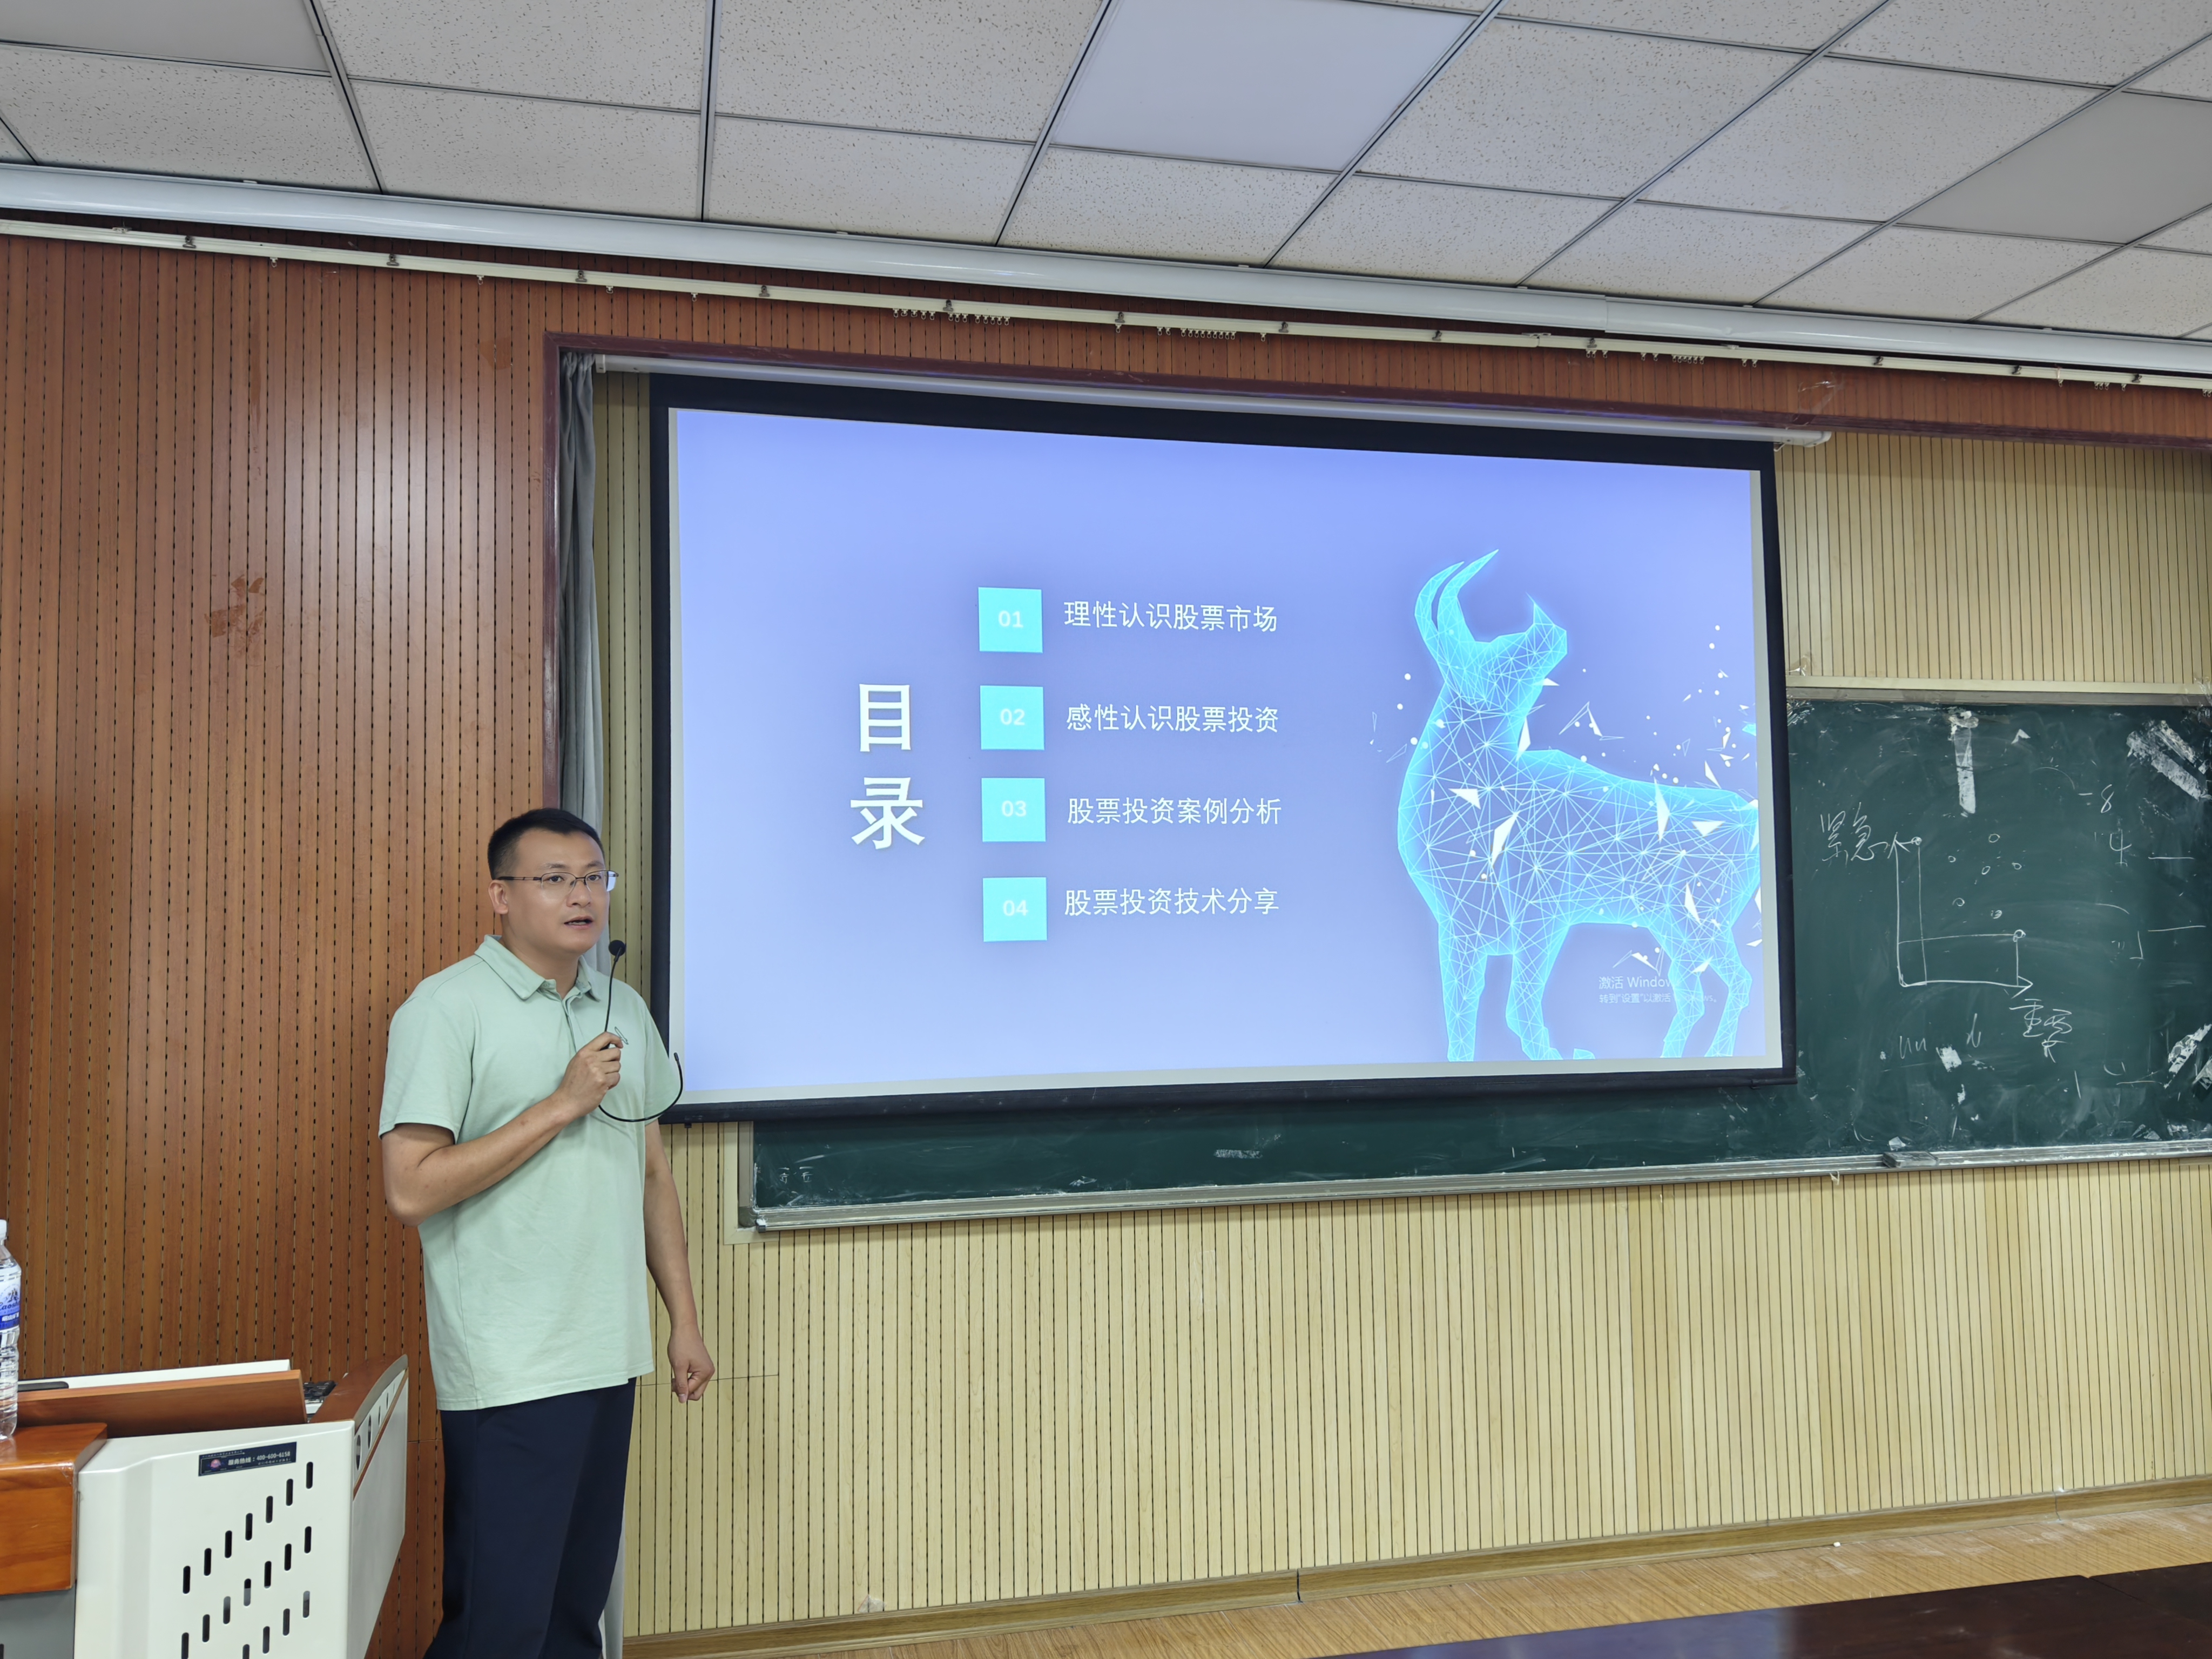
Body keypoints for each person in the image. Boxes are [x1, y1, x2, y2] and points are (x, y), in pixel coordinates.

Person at [380, 807, 715, 1657]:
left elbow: (651, 1175)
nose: (582, 897)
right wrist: (562, 1105)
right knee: (502, 1622)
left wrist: (682, 1319)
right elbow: (410, 1188)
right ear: (501, 896)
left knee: (574, 1613)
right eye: (555, 880)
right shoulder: (445, 1008)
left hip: (609, 1349)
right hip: (511, 1363)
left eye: (594, 878)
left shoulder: (621, 1006)